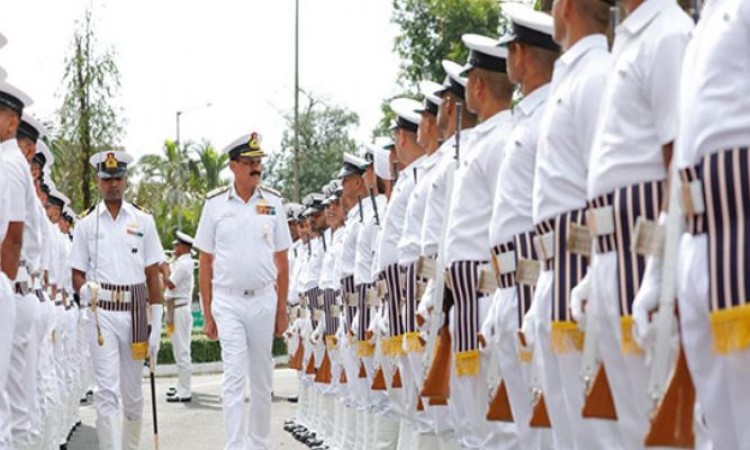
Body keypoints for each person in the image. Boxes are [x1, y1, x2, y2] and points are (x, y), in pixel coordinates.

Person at [570, 0, 692, 446]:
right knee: (625, 417)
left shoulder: (668, 33)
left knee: (654, 409)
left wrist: (662, 269)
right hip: (610, 250)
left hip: (642, 243)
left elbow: (676, 160)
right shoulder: (627, 39)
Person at [527, 0, 620, 447]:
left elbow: (599, 183)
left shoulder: (598, 76)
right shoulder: (576, 76)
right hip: (553, 267)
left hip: (580, 263)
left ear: (564, 7)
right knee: (566, 425)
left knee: (594, 430)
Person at [194, 132, 291, 450]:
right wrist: (207, 313)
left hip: (264, 298)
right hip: (228, 301)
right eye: (249, 162)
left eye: (258, 162)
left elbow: (282, 259)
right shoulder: (215, 204)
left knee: (262, 380)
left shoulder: (273, 202)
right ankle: (235, 445)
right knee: (234, 376)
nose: (256, 168)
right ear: (233, 166)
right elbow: (205, 261)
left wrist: (281, 311)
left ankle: (259, 444)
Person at [70, 150, 165, 449]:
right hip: (102, 314)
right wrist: (84, 290)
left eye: (118, 179)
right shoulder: (85, 224)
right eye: (107, 179)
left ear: (126, 181)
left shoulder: (143, 220)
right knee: (107, 392)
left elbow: (153, 274)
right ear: (98, 181)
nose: (113, 185)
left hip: (136, 311)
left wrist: (158, 325)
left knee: (133, 394)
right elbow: (76, 272)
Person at [0, 78, 39, 450]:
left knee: (7, 406)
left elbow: (13, 235)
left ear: (12, 123)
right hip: (12, 287)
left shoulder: (9, 163)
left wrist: (3, 285)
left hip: (7, 283)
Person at [164, 231, 195, 403]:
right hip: (175, 309)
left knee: (182, 350)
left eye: (177, 245)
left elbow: (170, 283)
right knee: (178, 350)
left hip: (180, 309)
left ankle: (185, 390)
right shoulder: (181, 262)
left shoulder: (184, 264)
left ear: (184, 247)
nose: (174, 248)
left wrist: (163, 270)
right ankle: (181, 385)